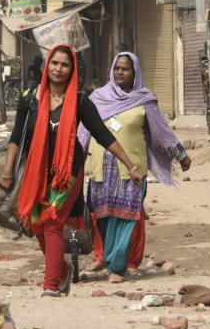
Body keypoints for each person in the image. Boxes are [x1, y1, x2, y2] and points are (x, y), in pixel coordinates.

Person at [0, 45, 144, 297]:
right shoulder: (29, 98)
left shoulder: (79, 101)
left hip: (68, 172)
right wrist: (8, 171)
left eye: (64, 65)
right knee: (37, 226)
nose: (58, 68)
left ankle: (51, 285)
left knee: (53, 221)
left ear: (72, 69)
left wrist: (130, 165)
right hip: (36, 172)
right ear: (47, 65)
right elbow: (16, 137)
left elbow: (102, 135)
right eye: (55, 63)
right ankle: (62, 269)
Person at [80, 52, 191, 282]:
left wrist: (180, 154)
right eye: (117, 68)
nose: (120, 72)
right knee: (102, 217)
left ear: (135, 72)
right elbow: (85, 130)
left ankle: (117, 267)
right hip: (100, 168)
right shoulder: (98, 98)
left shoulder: (144, 99)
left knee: (127, 217)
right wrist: (73, 158)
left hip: (131, 170)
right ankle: (106, 258)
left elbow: (161, 131)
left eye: (125, 69)